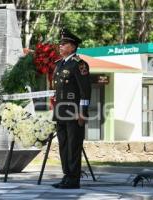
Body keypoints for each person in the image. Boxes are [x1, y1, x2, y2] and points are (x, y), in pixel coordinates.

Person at [52, 29, 91, 189]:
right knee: (63, 146)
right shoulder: (60, 64)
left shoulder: (79, 64)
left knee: (73, 146)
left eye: (64, 44)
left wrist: (83, 112)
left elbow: (85, 90)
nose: (60, 46)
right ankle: (67, 176)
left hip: (74, 113)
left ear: (73, 47)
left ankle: (74, 179)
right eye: (60, 44)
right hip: (61, 112)